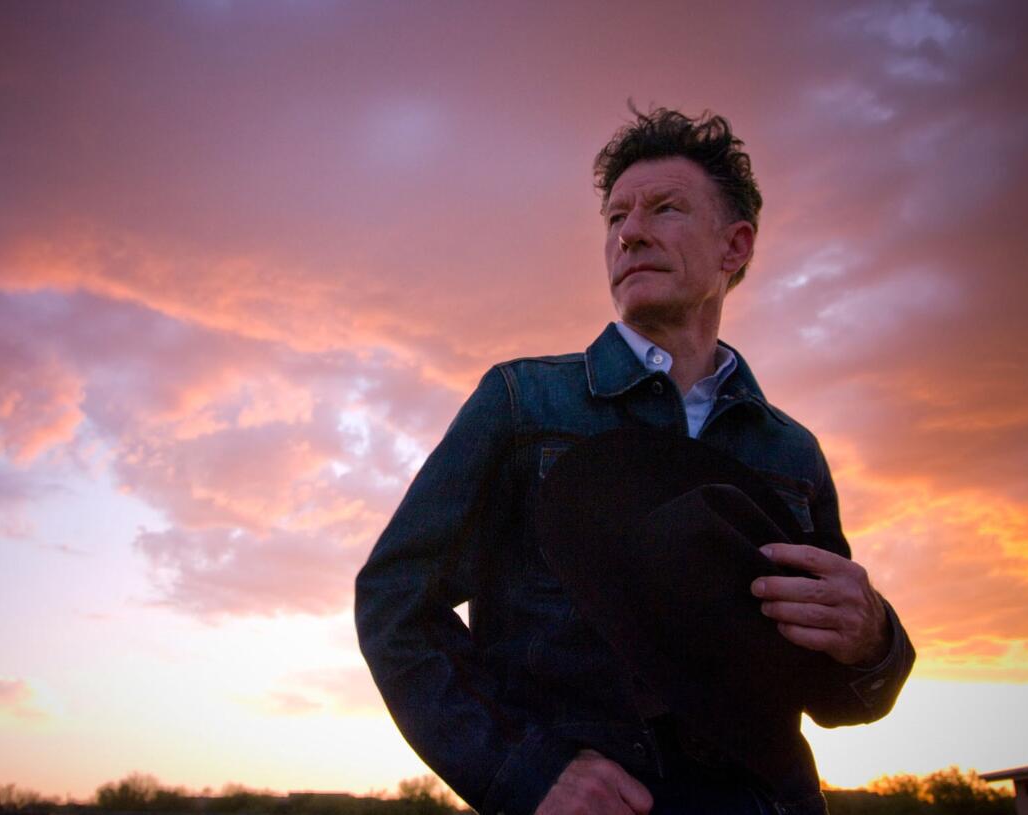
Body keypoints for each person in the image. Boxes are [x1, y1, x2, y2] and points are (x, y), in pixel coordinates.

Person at [355, 107, 914, 815]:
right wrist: (525, 771)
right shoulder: (521, 402)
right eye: (617, 216)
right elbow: (394, 601)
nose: (631, 231)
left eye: (666, 208)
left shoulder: (790, 451)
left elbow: (831, 692)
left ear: (734, 246)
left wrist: (872, 638)